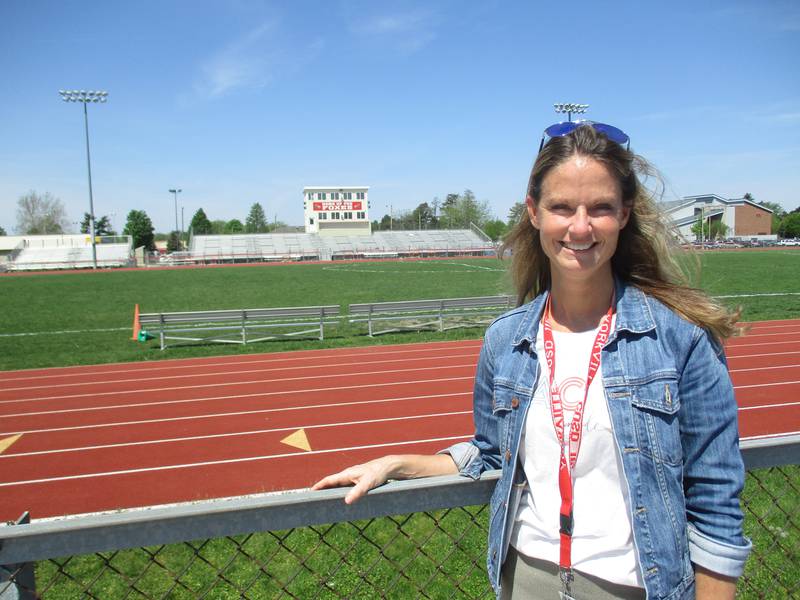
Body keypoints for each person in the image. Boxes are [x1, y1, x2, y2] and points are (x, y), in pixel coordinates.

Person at [313, 121, 751, 599]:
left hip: (638, 586)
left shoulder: (680, 338)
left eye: (600, 208)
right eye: (561, 207)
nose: (579, 226)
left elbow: (714, 500)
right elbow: (491, 449)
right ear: (534, 212)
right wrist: (396, 464)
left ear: (624, 215)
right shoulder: (507, 340)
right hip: (526, 580)